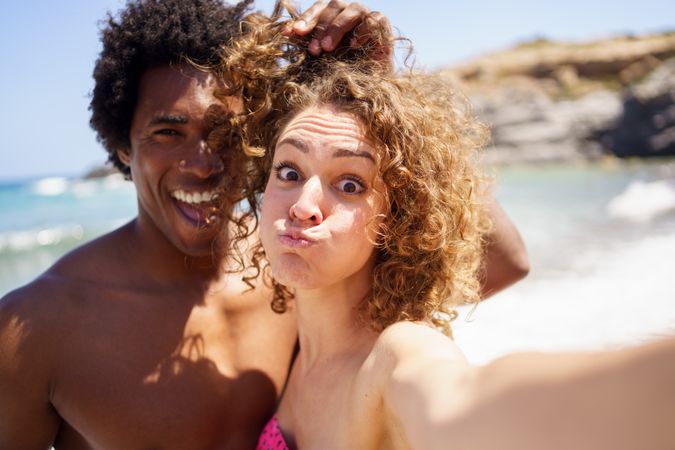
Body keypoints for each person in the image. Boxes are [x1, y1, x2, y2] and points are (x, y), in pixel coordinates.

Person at [0, 1, 527, 449]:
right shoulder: (36, 328)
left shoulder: (291, 257)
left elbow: (500, 264)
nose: (203, 163)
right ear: (121, 148)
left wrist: (378, 94)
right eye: (167, 132)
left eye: (224, 130)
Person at [215, 11, 675, 450]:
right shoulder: (290, 344)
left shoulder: (396, 354)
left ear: (399, 216)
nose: (303, 206)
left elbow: (468, 403)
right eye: (290, 172)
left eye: (350, 183)